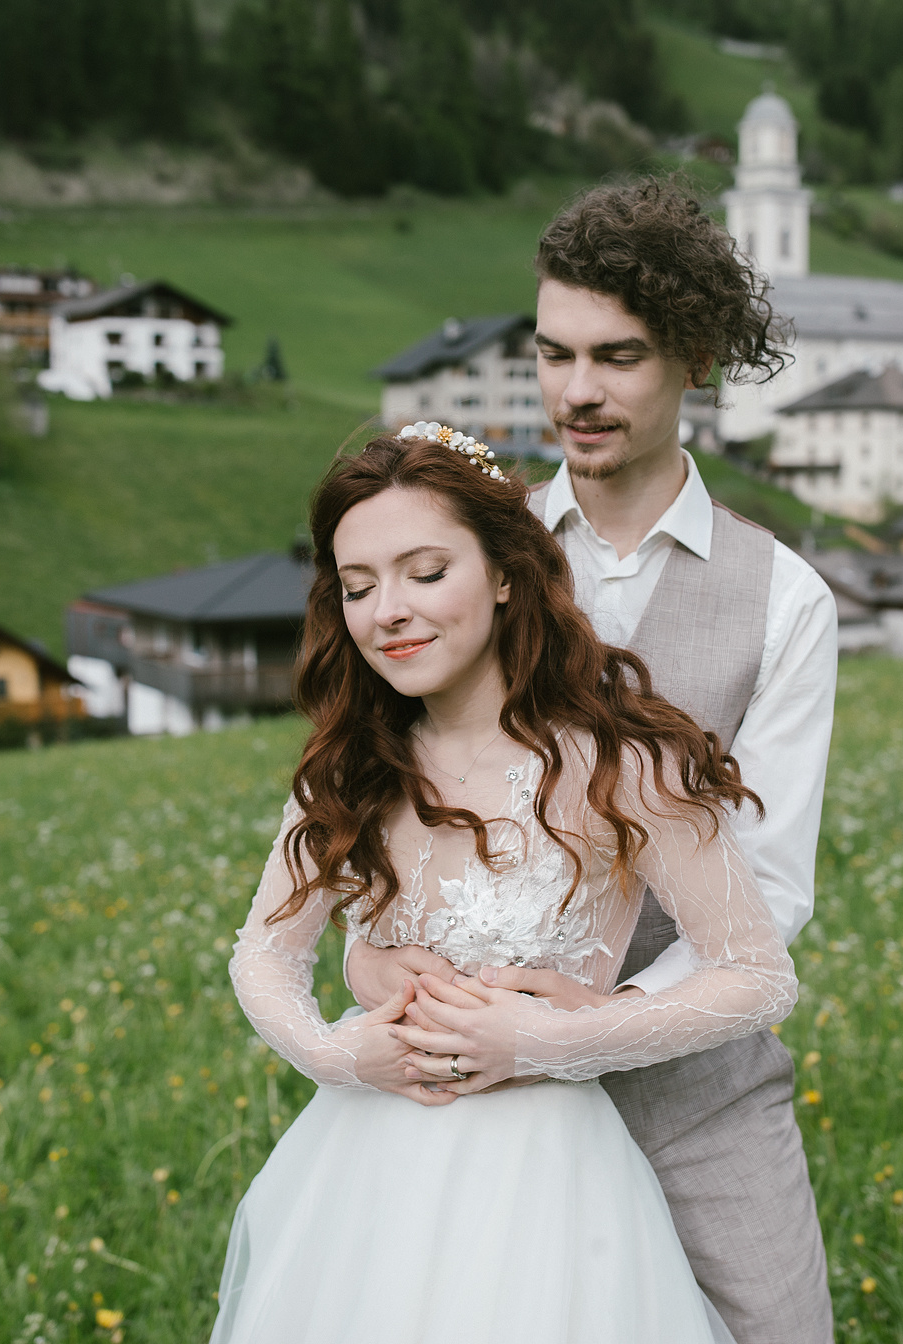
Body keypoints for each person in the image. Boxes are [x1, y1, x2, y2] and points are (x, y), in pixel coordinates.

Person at [346, 179, 840, 1343]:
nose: (576, 392)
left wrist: (590, 1026)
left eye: (617, 356)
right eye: (554, 353)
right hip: (478, 1088)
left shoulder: (785, 600)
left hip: (696, 1090)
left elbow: (774, 886)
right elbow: (387, 802)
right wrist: (410, 989)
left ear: (695, 357)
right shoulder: (463, 556)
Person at [212, 425, 797, 1342]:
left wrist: (558, 1040)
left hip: (549, 1180)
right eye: (358, 587)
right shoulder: (348, 769)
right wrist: (337, 1054)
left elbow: (759, 977)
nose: (387, 611)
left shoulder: (623, 763)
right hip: (366, 1167)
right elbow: (264, 953)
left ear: (505, 573)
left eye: (424, 572)